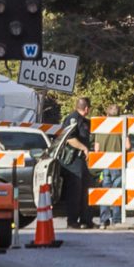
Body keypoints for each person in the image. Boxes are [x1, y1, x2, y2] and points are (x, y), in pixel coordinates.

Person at [51, 96, 95, 229]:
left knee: (85, 191)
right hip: (73, 161)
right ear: (86, 108)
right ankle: (72, 221)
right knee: (75, 192)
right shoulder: (72, 119)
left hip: (81, 161)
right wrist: (84, 148)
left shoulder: (84, 121)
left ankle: (86, 220)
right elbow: (70, 139)